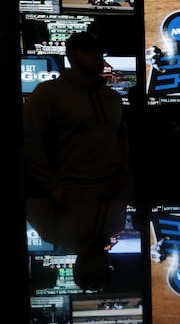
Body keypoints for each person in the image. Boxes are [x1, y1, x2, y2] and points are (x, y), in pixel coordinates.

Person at [23, 31, 135, 291]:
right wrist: (52, 186)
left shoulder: (112, 98)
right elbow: (29, 141)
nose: (97, 57)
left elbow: (122, 147)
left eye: (99, 52)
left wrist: (124, 186)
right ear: (72, 56)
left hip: (105, 189)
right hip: (69, 188)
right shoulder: (48, 93)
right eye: (90, 52)